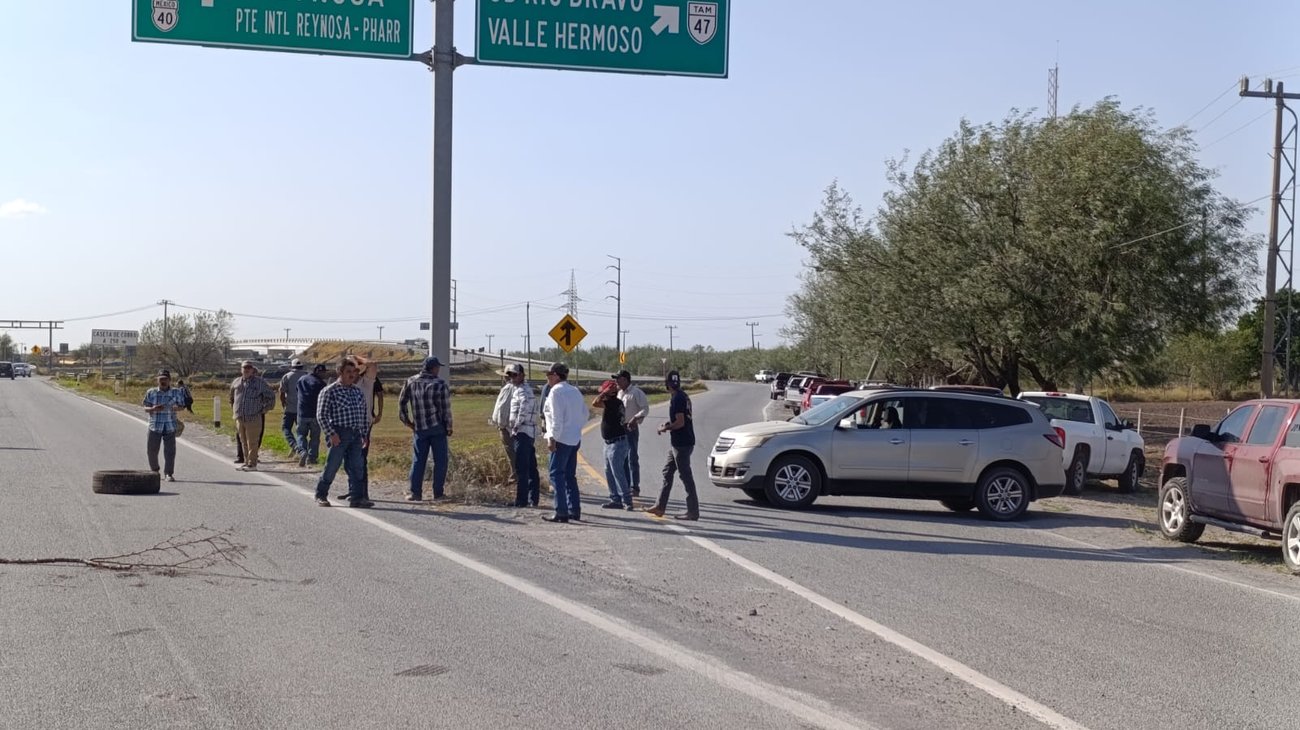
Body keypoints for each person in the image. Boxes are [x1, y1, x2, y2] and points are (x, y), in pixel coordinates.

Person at [313, 357, 372, 508]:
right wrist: (331, 434)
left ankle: (357, 497)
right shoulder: (329, 391)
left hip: (356, 434)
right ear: (340, 372)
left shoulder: (357, 392)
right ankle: (321, 495)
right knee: (332, 466)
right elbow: (321, 415)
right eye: (348, 371)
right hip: (339, 433)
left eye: (354, 372)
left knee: (357, 467)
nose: (352, 375)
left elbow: (363, 414)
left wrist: (364, 434)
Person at [645, 370, 698, 520]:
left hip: (682, 443)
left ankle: (693, 511)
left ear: (667, 384)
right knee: (667, 472)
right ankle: (660, 506)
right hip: (679, 442)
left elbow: (680, 422)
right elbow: (680, 419)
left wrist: (666, 428)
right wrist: (668, 424)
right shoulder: (682, 395)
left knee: (686, 477)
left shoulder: (677, 398)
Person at [398, 356, 453, 502]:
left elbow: (402, 402)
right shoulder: (440, 384)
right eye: (438, 367)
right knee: (440, 461)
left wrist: (407, 421)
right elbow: (445, 408)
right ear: (434, 368)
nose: (438, 370)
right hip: (437, 426)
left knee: (418, 460)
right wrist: (449, 426)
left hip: (419, 427)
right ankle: (438, 493)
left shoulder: (411, 381)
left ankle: (415, 493)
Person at [542, 362, 585, 523]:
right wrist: (575, 428)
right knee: (569, 476)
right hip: (574, 438)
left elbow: (556, 419)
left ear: (556, 375)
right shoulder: (575, 390)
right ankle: (574, 509)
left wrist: (552, 438)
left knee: (556, 475)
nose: (547, 378)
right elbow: (585, 414)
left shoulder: (556, 392)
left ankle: (561, 511)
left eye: (549, 375)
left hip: (561, 439)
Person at [594, 379, 635, 511]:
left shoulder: (613, 402)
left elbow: (595, 403)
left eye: (604, 391)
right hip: (610, 443)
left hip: (617, 443)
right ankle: (615, 499)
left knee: (617, 472)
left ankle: (627, 500)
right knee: (609, 472)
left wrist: (604, 393)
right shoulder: (614, 402)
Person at [505, 363, 541, 507]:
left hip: (522, 431)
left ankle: (522, 500)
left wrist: (515, 426)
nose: (512, 378)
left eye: (514, 375)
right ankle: (533, 498)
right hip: (528, 431)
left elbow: (524, 409)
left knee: (522, 467)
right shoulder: (523, 389)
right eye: (510, 375)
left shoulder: (522, 391)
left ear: (522, 375)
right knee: (530, 466)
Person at [230, 360, 275, 471]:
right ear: (241, 369)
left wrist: (264, 409)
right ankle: (246, 462)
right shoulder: (236, 382)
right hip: (240, 417)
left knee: (252, 442)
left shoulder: (259, 383)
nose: (246, 370)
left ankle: (252, 464)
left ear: (252, 370)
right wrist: (234, 409)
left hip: (253, 417)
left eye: (249, 368)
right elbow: (231, 397)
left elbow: (271, 396)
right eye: (244, 368)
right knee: (243, 442)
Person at [143, 369, 186, 482]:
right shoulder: (151, 392)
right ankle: (155, 471)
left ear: (169, 380)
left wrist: (177, 408)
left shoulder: (176, 392)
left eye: (165, 379)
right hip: (155, 426)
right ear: (157, 380)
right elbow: (145, 407)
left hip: (170, 425)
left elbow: (182, 406)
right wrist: (153, 408)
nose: (163, 381)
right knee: (152, 451)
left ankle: (168, 473)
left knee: (170, 452)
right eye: (161, 379)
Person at [614, 370, 649, 496]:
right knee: (622, 458)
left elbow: (645, 409)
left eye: (618, 379)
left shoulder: (636, 393)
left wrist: (635, 418)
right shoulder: (619, 393)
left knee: (632, 457)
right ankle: (626, 486)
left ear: (625, 379)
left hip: (631, 429)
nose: (616, 381)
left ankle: (635, 487)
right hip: (620, 429)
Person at [489, 366, 518, 487]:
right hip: (512, 426)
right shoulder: (518, 388)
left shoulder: (508, 389)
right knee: (514, 452)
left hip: (507, 427)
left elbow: (503, 408)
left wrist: (501, 425)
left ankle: (515, 478)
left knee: (512, 453)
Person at [296, 363, 328, 467]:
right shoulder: (321, 384)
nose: (324, 374)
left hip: (302, 412)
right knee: (315, 437)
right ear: (318, 372)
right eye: (323, 372)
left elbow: (297, 391)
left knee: (301, 434)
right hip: (315, 414)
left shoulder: (302, 379)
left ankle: (302, 451)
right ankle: (312, 458)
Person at [279, 358, 307, 456]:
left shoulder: (287, 376)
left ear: (292, 366)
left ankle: (295, 446)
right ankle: (304, 451)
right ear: (302, 366)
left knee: (286, 428)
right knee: (301, 432)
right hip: (303, 409)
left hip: (290, 408)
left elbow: (282, 392)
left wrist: (283, 403)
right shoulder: (307, 376)